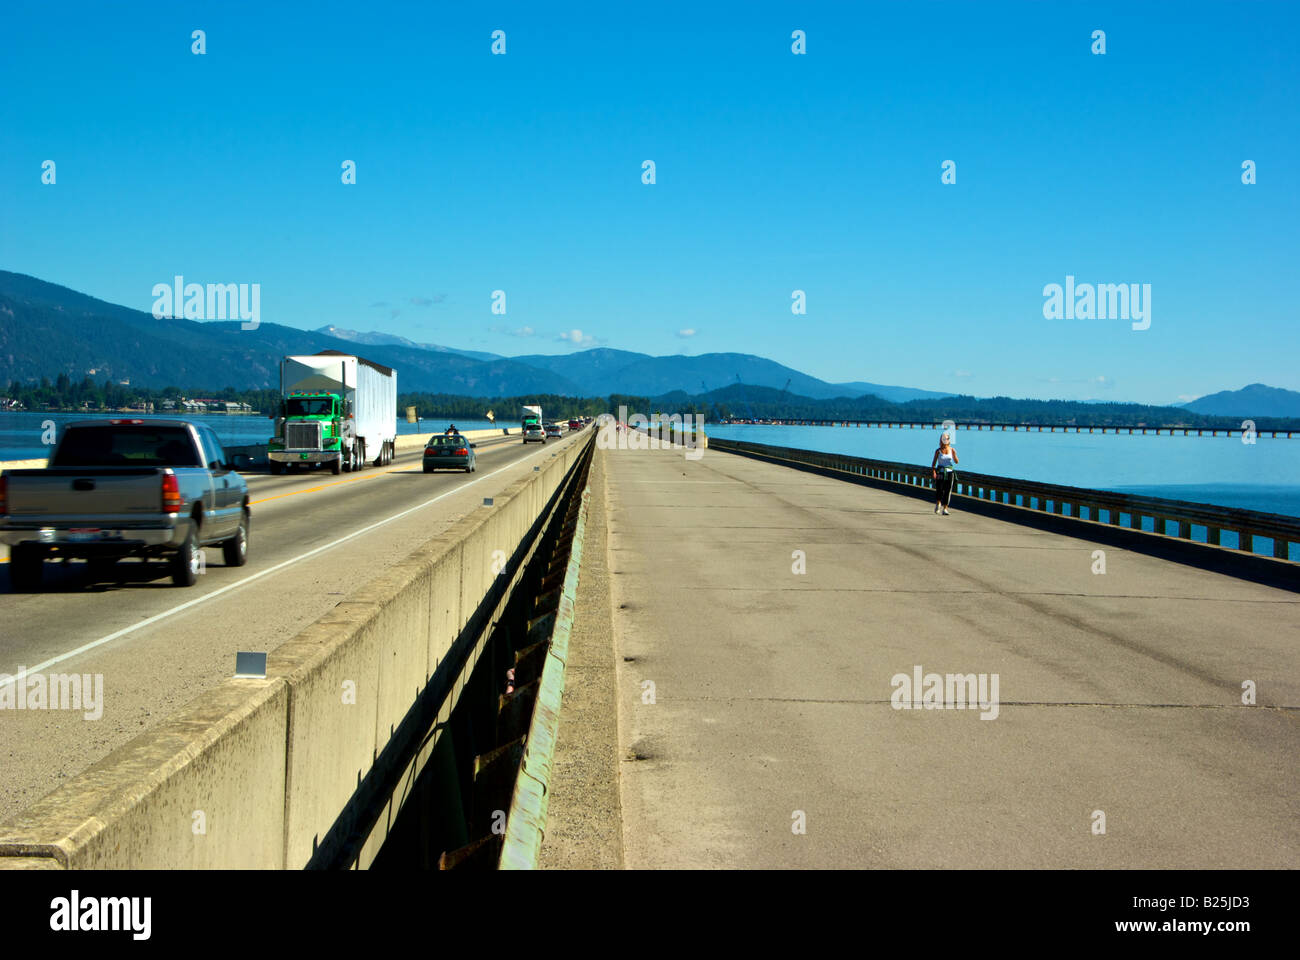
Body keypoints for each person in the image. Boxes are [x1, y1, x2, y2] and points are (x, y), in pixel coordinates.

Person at [931, 432, 959, 515]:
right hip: (940, 472)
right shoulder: (938, 451)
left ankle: (945, 508)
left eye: (946, 439)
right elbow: (933, 464)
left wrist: (955, 455)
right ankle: (938, 503)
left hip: (950, 472)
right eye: (943, 439)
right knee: (939, 489)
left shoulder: (952, 450)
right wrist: (934, 472)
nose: (945, 440)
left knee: (948, 490)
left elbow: (956, 462)